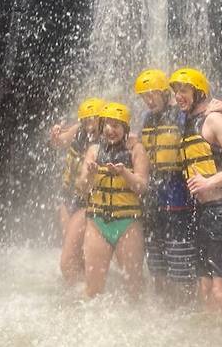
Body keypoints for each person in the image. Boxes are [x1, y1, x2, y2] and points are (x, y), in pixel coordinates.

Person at [169, 68, 222, 326]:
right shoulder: (190, 121)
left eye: (184, 90)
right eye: (176, 91)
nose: (178, 96)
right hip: (204, 213)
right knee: (205, 290)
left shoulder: (215, 118)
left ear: (199, 91)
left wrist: (208, 182)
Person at [133, 68, 197, 296]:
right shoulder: (146, 119)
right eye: (144, 96)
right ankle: (163, 309)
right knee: (156, 259)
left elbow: (204, 115)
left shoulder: (182, 115)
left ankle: (186, 306)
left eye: (153, 95)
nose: (149, 101)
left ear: (164, 93)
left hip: (178, 197)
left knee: (180, 258)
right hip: (152, 200)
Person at [77, 102, 149, 299]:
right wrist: (90, 175)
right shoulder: (93, 151)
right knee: (92, 290)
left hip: (127, 223)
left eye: (117, 125)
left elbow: (142, 186)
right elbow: (82, 187)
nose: (111, 130)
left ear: (125, 128)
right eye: (107, 125)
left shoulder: (136, 150)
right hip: (97, 222)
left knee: (134, 289)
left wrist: (124, 173)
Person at [49, 97, 105, 284]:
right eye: (86, 120)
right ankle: (82, 288)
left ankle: (82, 293)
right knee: (72, 248)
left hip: (87, 201)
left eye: (93, 120)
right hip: (68, 196)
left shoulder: (107, 140)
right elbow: (60, 141)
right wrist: (56, 135)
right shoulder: (78, 130)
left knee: (70, 257)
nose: (89, 125)